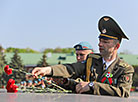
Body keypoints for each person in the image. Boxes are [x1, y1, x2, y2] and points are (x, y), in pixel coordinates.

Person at [32, 16, 134, 97]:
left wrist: (92, 86)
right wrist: (47, 70)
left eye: (105, 42)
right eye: (100, 41)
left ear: (116, 46)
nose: (100, 44)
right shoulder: (92, 60)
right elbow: (70, 68)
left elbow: (123, 92)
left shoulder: (125, 69)